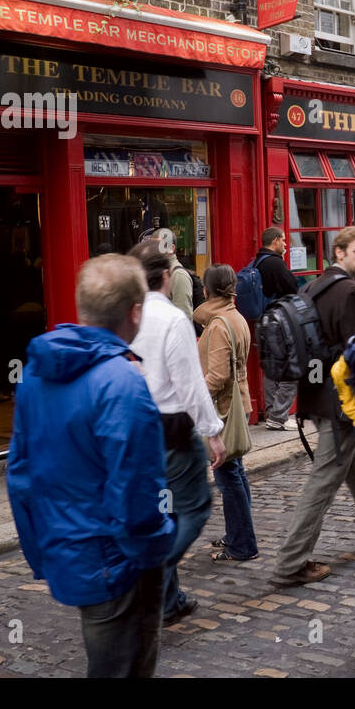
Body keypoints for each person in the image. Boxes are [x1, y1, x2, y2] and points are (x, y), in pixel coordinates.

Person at [7, 254, 174, 678]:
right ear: (135, 312)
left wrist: (41, 552)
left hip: (70, 548)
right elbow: (137, 490)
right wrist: (155, 550)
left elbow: (20, 476)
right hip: (117, 561)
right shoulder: (123, 383)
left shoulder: (34, 376)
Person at [274, 226, 355, 585]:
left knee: (351, 465)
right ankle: (291, 562)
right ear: (339, 253)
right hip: (341, 402)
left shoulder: (313, 286)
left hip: (315, 393)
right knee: (324, 480)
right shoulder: (350, 290)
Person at [127, 240, 226, 626]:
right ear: (166, 276)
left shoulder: (127, 315)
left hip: (139, 429)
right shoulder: (171, 319)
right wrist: (213, 431)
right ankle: (153, 580)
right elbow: (190, 384)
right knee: (195, 508)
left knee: (161, 515)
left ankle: (170, 600)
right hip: (173, 430)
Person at [193, 264, 258, 563]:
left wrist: (196, 402)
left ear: (207, 291)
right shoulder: (236, 317)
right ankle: (237, 535)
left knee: (229, 478)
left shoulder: (218, 324)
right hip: (238, 404)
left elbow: (217, 377)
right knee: (236, 474)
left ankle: (242, 544)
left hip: (223, 410)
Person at [249, 227, 300, 431]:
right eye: (284, 241)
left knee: (270, 367)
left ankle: (272, 412)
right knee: (291, 368)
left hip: (262, 322)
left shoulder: (258, 261)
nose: (286, 245)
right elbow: (293, 287)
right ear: (275, 241)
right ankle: (278, 415)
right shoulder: (275, 263)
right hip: (280, 322)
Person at [155, 227, 194, 320]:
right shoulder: (160, 270)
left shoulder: (178, 275)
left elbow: (184, 317)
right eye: (153, 246)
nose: (155, 250)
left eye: (160, 246)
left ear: (172, 248)